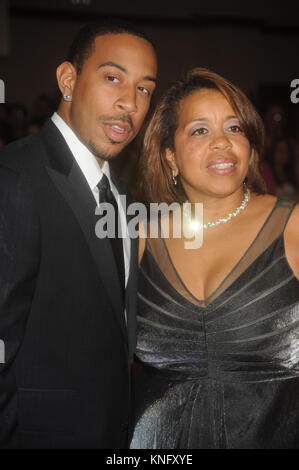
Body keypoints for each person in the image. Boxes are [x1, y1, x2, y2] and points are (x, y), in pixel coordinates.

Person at [0, 21, 157, 449]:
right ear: (68, 80)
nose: (130, 103)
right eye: (113, 78)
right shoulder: (15, 177)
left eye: (144, 89)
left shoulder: (123, 196)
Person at [130, 68, 299, 449]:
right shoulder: (141, 238)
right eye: (200, 130)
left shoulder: (291, 226)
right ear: (170, 156)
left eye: (235, 128)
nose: (222, 142)